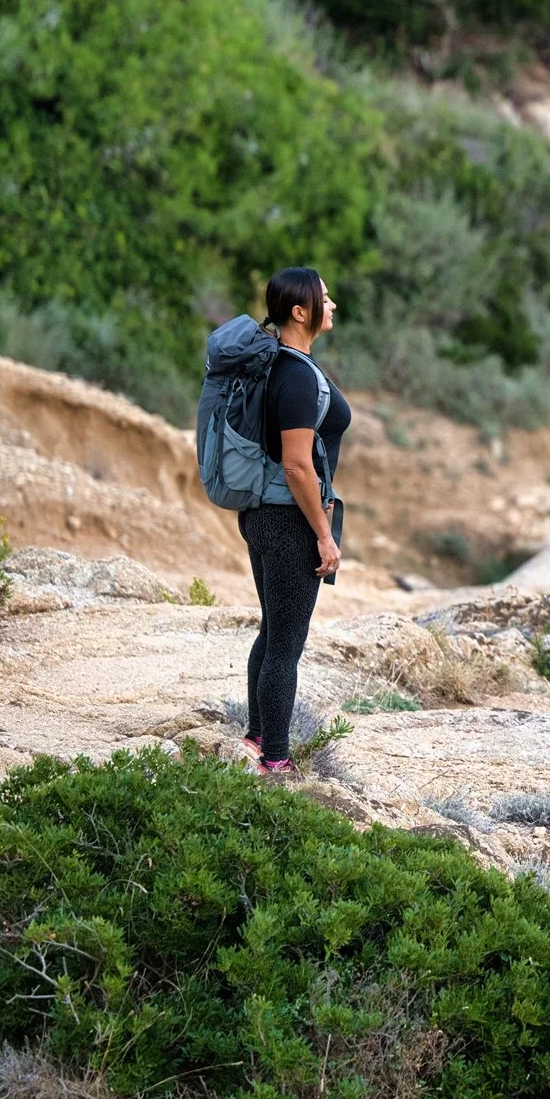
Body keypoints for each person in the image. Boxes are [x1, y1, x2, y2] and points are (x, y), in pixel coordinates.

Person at [240, 268, 349, 776]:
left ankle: (258, 735)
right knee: (287, 643)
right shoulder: (298, 375)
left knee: (273, 630)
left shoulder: (272, 365)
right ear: (299, 312)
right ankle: (275, 760)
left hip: (261, 513)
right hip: (289, 522)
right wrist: (323, 535)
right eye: (323, 298)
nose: (332, 304)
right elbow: (297, 464)